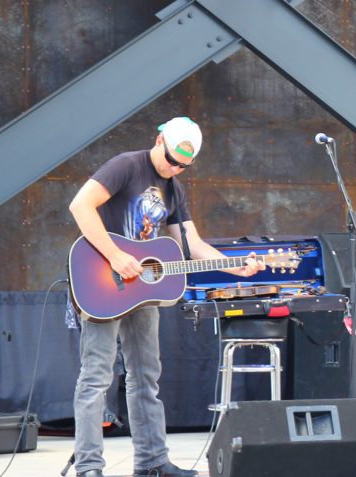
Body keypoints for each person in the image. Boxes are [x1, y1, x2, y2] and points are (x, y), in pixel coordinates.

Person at [67, 117, 264, 477]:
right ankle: (89, 468)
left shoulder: (173, 188)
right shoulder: (127, 165)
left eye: (183, 166)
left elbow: (193, 244)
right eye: (172, 159)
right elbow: (81, 205)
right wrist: (115, 255)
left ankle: (153, 464)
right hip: (103, 281)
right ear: (159, 140)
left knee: (146, 378)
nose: (174, 168)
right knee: (96, 377)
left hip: (143, 292)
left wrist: (234, 267)